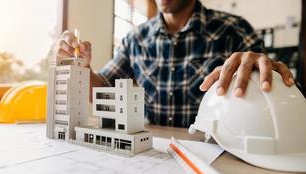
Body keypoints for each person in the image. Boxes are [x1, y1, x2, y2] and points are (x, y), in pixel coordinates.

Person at [56, 0, 295, 128]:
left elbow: (270, 96)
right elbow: (101, 90)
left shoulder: (234, 30)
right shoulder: (135, 38)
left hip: (218, 151)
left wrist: (262, 68)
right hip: (155, 152)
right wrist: (82, 68)